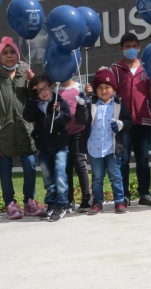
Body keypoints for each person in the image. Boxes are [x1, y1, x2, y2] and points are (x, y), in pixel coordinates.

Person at [0, 37, 45, 220]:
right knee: (5, 168)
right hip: (2, 130)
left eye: (12, 52)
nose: (9, 56)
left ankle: (29, 201)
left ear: (18, 54)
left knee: (29, 165)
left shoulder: (25, 72)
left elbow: (35, 99)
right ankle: (10, 204)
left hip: (24, 128)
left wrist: (32, 83)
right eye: (5, 53)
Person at [106, 32, 151, 206]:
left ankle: (145, 194)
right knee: (124, 159)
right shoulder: (115, 69)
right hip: (123, 123)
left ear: (139, 48)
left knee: (143, 159)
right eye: (127, 46)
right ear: (121, 48)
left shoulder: (147, 68)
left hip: (143, 120)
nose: (131, 49)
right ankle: (124, 195)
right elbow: (109, 93)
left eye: (134, 46)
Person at [23, 74, 82, 222]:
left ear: (51, 87)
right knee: (48, 178)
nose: (43, 92)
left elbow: (67, 118)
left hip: (60, 145)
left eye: (45, 88)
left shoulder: (59, 101)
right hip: (43, 147)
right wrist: (31, 99)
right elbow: (28, 117)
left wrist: (58, 113)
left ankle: (62, 204)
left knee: (60, 175)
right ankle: (51, 204)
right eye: (39, 90)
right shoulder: (35, 104)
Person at [82, 67, 132, 215]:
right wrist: (81, 104)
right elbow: (81, 120)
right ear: (95, 90)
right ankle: (97, 202)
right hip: (95, 148)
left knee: (115, 176)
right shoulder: (91, 104)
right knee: (97, 178)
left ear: (113, 88)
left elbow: (129, 121)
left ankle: (119, 201)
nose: (104, 91)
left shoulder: (119, 104)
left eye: (107, 87)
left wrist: (121, 124)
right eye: (100, 88)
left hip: (113, 148)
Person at [58, 76, 92, 213]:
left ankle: (86, 198)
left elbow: (87, 105)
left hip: (79, 132)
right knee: (66, 168)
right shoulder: (56, 89)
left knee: (80, 165)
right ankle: (69, 199)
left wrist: (88, 94)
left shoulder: (79, 87)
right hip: (63, 134)